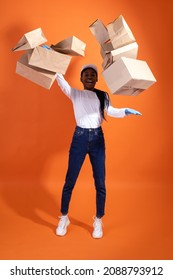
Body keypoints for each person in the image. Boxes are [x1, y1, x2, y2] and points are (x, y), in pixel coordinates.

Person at [55, 64, 141, 238]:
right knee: (70, 180)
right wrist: (54, 64)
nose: (89, 76)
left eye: (92, 74)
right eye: (86, 74)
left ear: (96, 79)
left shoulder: (103, 95)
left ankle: (98, 220)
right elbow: (61, 82)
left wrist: (125, 111)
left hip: (97, 140)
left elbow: (111, 111)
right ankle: (64, 217)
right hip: (79, 138)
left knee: (100, 182)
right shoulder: (75, 94)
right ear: (81, 79)